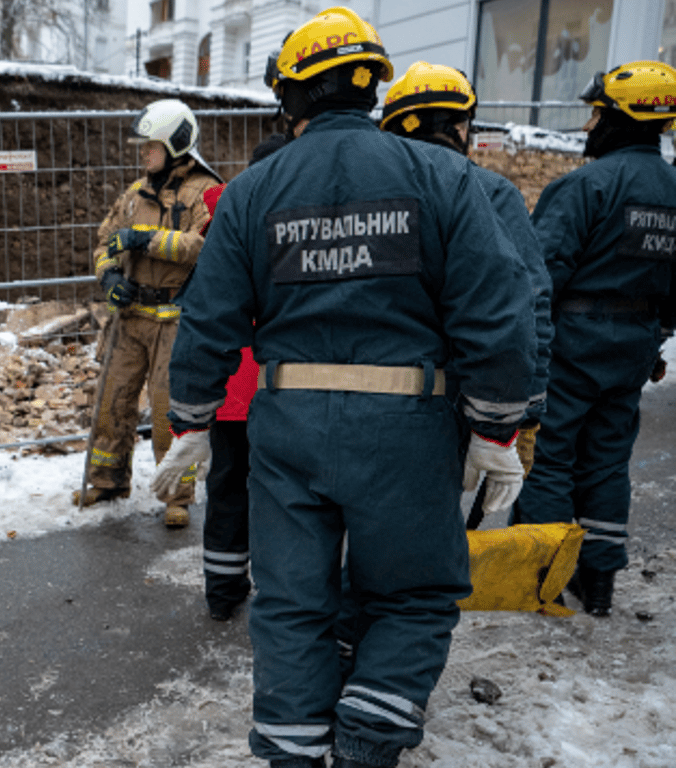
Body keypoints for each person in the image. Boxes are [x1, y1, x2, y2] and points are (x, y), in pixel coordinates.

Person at [151, 7, 536, 767]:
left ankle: (294, 752)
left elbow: (209, 316)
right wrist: (496, 430)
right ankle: (367, 738)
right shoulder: (445, 177)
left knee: (292, 605)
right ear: (370, 89)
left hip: (288, 423)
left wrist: (190, 419)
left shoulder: (255, 192)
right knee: (412, 595)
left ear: (292, 98)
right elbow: (499, 311)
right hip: (408, 425)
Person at [511, 60, 676, 617]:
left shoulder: (584, 186)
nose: (590, 127)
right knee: (608, 460)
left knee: (551, 458)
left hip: (572, 341)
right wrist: (655, 338)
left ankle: (542, 577)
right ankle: (599, 581)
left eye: (598, 114)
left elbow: (540, 273)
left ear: (621, 118)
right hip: (634, 344)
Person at [378, 61, 553, 488]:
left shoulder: (369, 194)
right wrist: (521, 417)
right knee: (430, 531)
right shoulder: (492, 192)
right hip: (455, 397)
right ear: (461, 127)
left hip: (364, 396)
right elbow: (528, 308)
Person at [74, 98, 224, 529]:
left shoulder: (208, 193)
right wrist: (109, 280)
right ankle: (106, 479)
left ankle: (177, 495)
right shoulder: (135, 193)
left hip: (175, 319)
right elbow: (104, 243)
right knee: (112, 401)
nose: (143, 154)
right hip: (131, 317)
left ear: (177, 145)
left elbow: (203, 247)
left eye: (151, 146)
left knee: (168, 410)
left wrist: (145, 239)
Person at [199, 133, 287, 622]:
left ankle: (222, 588)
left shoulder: (226, 218)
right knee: (282, 494)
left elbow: (208, 309)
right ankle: (283, 594)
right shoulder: (299, 220)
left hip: (231, 387)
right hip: (280, 387)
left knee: (228, 486)